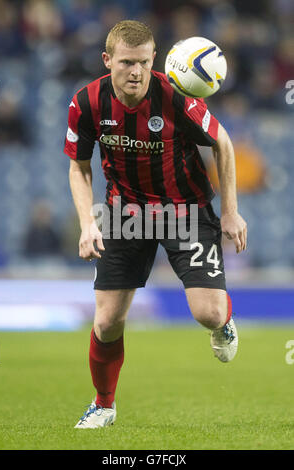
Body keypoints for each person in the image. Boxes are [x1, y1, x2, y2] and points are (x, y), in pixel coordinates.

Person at [64, 20, 247, 429]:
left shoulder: (176, 96)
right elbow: (78, 167)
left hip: (185, 210)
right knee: (108, 320)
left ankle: (225, 322)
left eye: (145, 62)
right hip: (124, 213)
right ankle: (103, 405)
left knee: (208, 314)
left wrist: (231, 211)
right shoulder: (87, 102)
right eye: (128, 62)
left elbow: (223, 142)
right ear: (107, 60)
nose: (136, 72)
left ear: (154, 60)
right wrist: (86, 223)